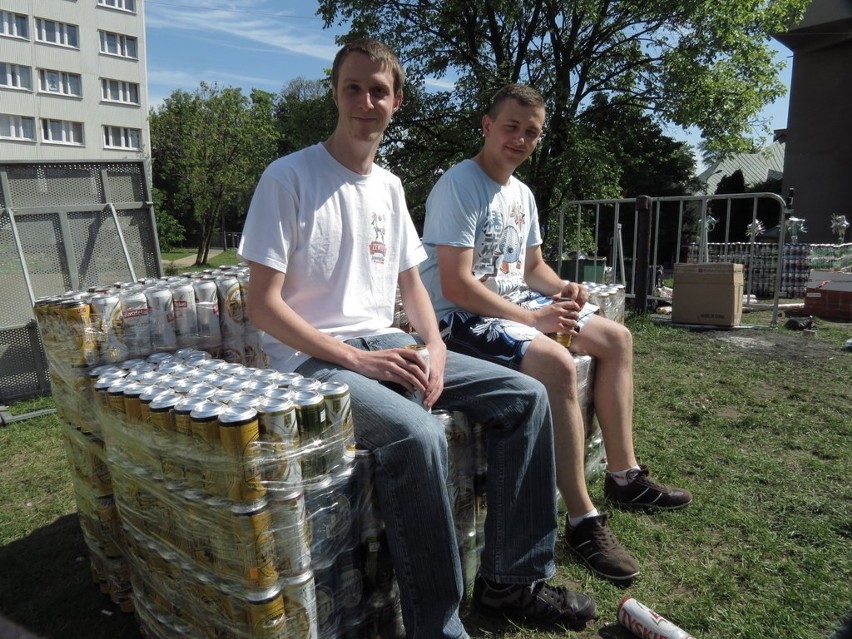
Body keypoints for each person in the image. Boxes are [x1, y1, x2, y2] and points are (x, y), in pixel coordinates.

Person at [238, 41, 596, 638]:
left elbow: (415, 288)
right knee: (418, 432)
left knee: (525, 396)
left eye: (379, 91)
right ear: (335, 92)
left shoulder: (389, 186)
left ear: (397, 102)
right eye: (353, 87)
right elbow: (262, 305)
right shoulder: (289, 177)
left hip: (386, 342)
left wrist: (432, 348)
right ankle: (439, 626)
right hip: (311, 360)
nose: (366, 101)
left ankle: (512, 580)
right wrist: (357, 358)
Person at [419, 83, 692, 583]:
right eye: (511, 127)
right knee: (557, 362)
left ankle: (623, 474)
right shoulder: (459, 185)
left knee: (617, 340)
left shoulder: (521, 193)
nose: (520, 139)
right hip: (459, 318)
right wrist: (534, 320)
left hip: (509, 305)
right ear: (486, 126)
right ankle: (582, 519)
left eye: (531, 132)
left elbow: (533, 268)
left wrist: (562, 287)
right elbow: (456, 285)